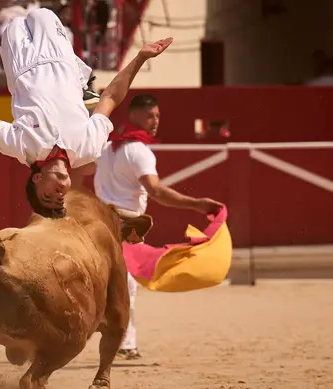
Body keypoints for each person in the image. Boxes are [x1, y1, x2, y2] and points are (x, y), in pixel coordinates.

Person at [0, 8, 173, 217]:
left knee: (12, 19)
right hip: (61, 59)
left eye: (48, 196)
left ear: (36, 180)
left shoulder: (21, 148)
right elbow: (111, 96)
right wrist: (140, 57)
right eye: (59, 200)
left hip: (21, 64)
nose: (58, 195)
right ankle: (82, 84)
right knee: (44, 12)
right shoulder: (89, 148)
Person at [73, 94, 223, 359]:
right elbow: (156, 191)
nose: (155, 121)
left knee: (105, 282)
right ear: (134, 115)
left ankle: (106, 334)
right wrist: (198, 204)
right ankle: (125, 343)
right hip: (126, 225)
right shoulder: (137, 151)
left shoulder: (107, 148)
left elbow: (78, 171)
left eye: (157, 116)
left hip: (97, 224)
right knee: (126, 284)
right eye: (150, 116)